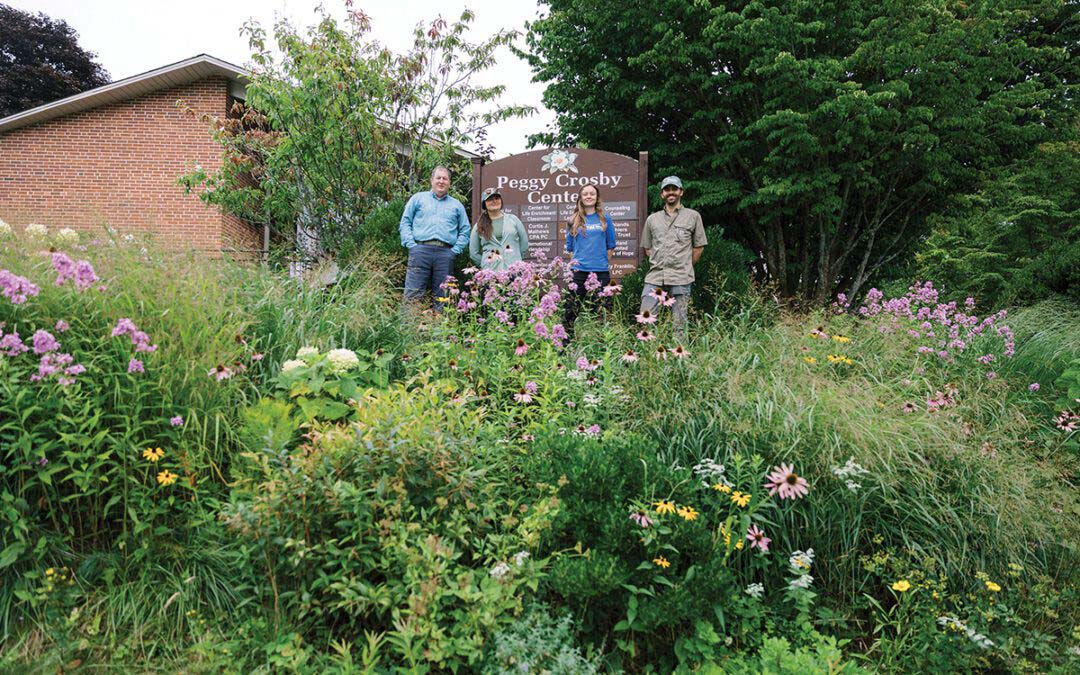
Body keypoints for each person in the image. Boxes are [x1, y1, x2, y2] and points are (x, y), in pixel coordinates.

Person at [639, 176, 707, 337]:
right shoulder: (652, 219)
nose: (671, 193)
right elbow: (647, 248)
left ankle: (679, 359)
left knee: (680, 325)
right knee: (646, 319)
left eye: (674, 189)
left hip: (682, 277)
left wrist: (684, 265)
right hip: (655, 277)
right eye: (667, 190)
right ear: (662, 194)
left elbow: (699, 247)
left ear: (681, 192)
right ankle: (648, 358)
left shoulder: (693, 216)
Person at [399, 166, 470, 310]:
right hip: (420, 251)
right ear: (431, 180)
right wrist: (411, 245)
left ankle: (440, 332)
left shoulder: (456, 205)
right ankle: (407, 330)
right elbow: (405, 222)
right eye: (438, 178)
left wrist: (455, 251)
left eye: (445, 178)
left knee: (443, 297)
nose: (441, 181)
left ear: (450, 183)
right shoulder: (418, 199)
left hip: (445, 254)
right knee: (413, 294)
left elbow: (465, 230)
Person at [563, 184, 617, 337]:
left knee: (602, 311)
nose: (589, 196)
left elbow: (610, 245)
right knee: (571, 310)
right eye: (585, 194)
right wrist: (577, 266)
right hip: (579, 272)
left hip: (600, 272)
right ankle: (566, 344)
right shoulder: (573, 219)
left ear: (596, 197)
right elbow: (571, 248)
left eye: (592, 194)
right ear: (580, 197)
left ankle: (600, 344)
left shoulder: (604, 218)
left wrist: (601, 263)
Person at [469, 187, 530, 270]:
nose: (494, 201)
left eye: (497, 198)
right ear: (484, 204)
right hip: (491, 273)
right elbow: (473, 253)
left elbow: (524, 244)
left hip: (514, 270)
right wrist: (486, 263)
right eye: (490, 199)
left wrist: (515, 258)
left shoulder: (513, 219)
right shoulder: (479, 225)